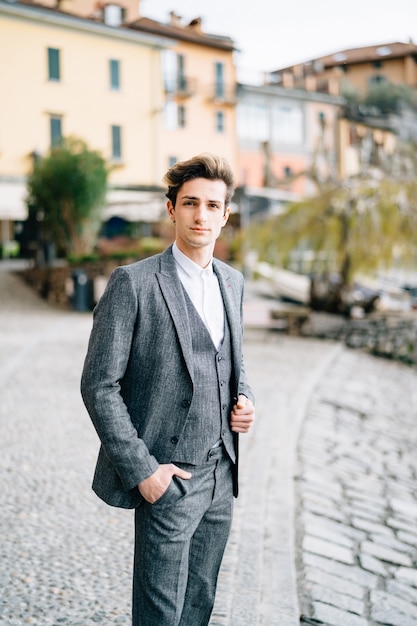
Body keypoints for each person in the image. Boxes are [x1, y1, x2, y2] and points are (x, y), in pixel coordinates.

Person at [81, 152, 255, 626]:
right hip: (169, 475)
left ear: (225, 215)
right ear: (171, 209)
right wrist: (144, 471)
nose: (202, 215)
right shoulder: (132, 284)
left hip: (222, 474)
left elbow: (232, 360)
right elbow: (99, 385)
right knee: (159, 615)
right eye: (191, 203)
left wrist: (246, 403)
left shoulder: (233, 282)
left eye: (212, 205)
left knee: (199, 605)